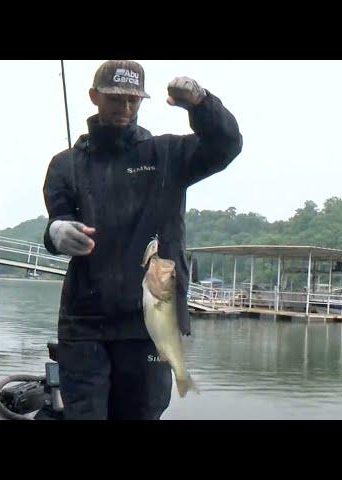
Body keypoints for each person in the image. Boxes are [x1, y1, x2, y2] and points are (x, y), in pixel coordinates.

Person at [42, 60, 243, 420]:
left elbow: (226, 145)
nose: (126, 107)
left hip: (150, 324)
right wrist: (56, 233)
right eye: (116, 99)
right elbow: (59, 218)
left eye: (134, 99)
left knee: (141, 413)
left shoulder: (169, 156)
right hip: (84, 322)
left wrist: (201, 103)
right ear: (94, 97)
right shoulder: (65, 164)